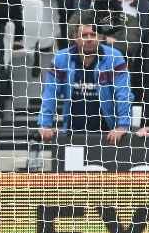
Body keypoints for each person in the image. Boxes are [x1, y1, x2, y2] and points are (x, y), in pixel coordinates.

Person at [37, 10, 133, 145]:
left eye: (93, 34)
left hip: (108, 134)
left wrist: (123, 125)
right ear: (75, 37)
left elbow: (123, 94)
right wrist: (45, 124)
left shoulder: (114, 58)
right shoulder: (61, 58)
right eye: (84, 35)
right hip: (72, 133)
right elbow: (50, 94)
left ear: (100, 37)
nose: (89, 38)